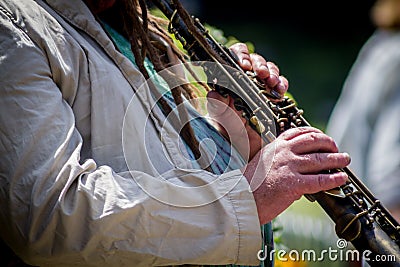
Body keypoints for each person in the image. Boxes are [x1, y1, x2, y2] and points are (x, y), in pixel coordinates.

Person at [0, 0, 351, 266]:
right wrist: (245, 198)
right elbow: (49, 213)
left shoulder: (132, 24)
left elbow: (165, 169)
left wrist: (231, 137)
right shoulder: (13, 25)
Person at [326, 0, 400, 222]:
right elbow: (391, 157)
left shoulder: (381, 44)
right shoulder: (388, 49)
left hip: (351, 201)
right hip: (379, 216)